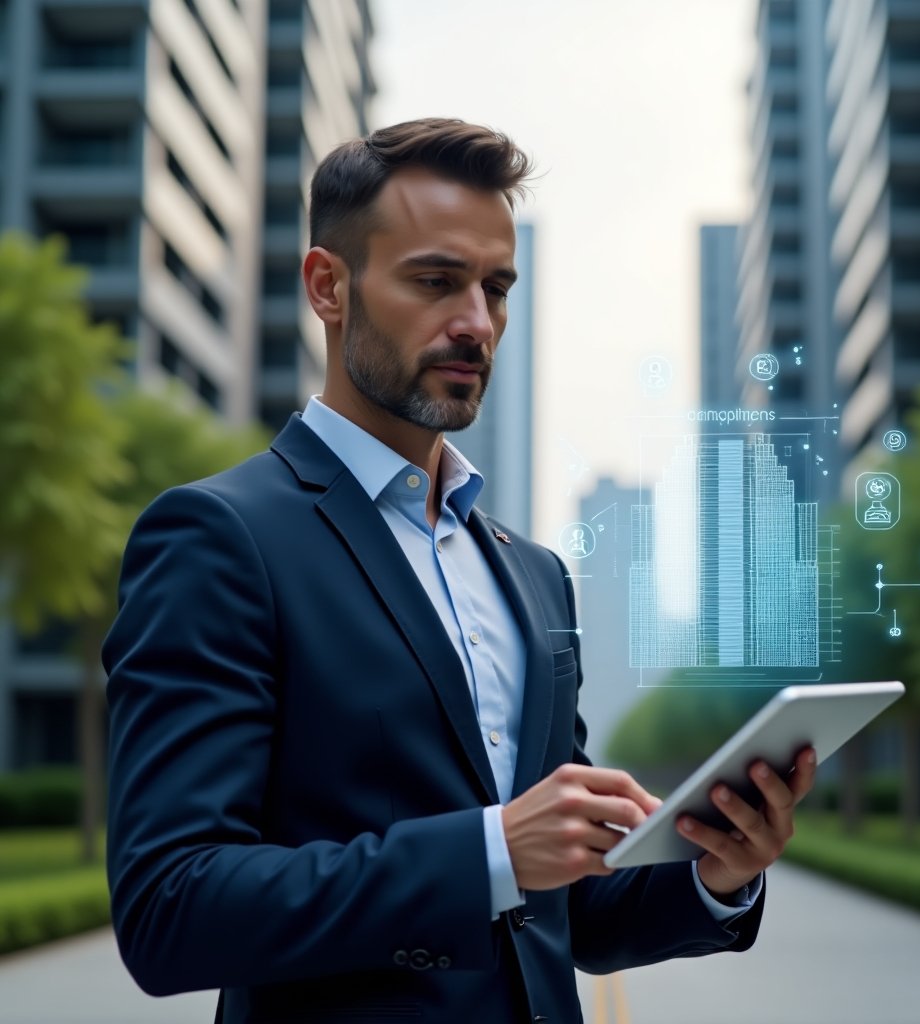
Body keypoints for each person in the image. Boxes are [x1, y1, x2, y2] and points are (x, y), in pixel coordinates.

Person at [104, 118, 816, 1024]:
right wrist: (490, 852)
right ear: (329, 286)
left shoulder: (534, 576)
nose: (477, 323)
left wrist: (720, 876)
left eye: (497, 288)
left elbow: (566, 914)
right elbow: (171, 907)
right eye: (436, 281)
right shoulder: (219, 537)